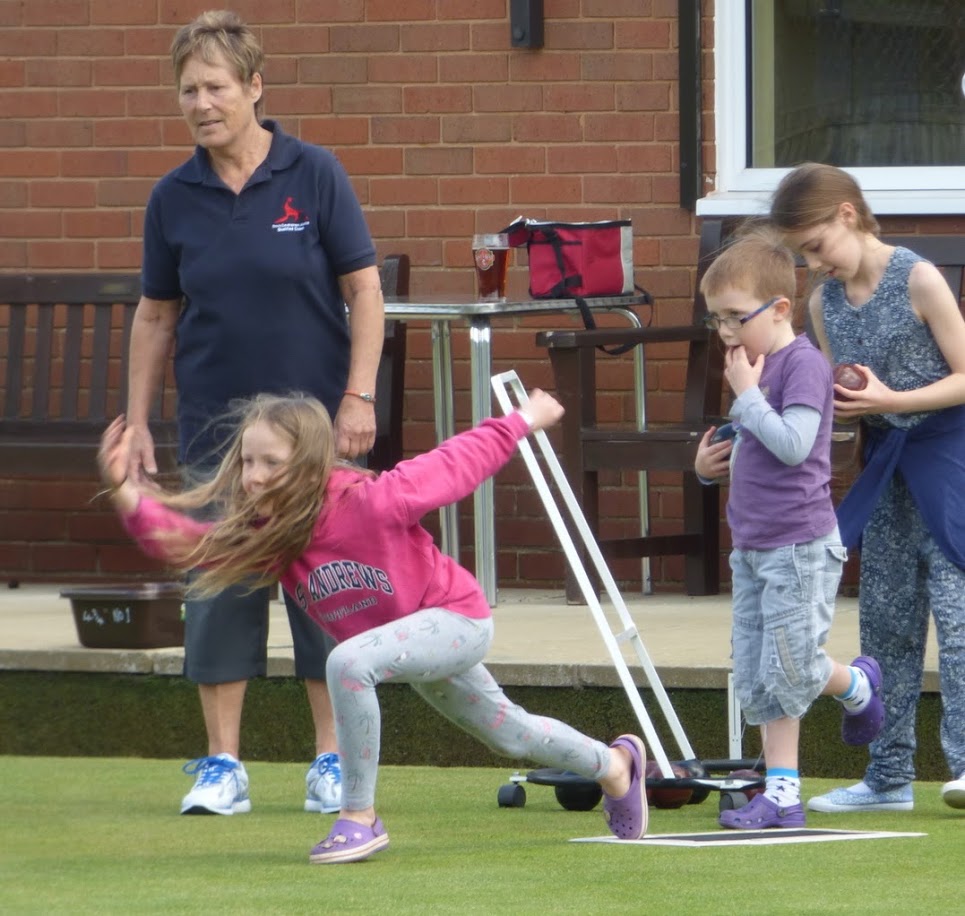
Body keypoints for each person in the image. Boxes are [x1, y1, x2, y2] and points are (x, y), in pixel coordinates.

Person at [97, 391, 648, 863]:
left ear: (311, 464)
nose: (255, 476)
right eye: (248, 461)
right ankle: (616, 766)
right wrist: (122, 489)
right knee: (511, 734)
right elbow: (189, 546)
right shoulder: (271, 537)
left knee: (347, 661)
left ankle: (359, 817)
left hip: (456, 619)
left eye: (272, 462)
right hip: (407, 645)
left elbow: (457, 461)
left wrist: (522, 420)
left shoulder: (374, 500)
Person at [122, 10, 386, 816]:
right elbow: (155, 315)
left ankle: (331, 761)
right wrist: (136, 422)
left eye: (216, 87)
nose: (201, 103)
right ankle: (222, 767)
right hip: (216, 432)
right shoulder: (173, 197)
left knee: (327, 594)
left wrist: (358, 395)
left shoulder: (314, 174)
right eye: (188, 90)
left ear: (254, 87)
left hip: (313, 433)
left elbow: (363, 290)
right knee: (218, 594)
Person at [769, 162, 965, 813]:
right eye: (802, 254)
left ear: (847, 215)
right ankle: (887, 779)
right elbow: (827, 396)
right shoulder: (822, 303)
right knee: (886, 622)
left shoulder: (918, 277)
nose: (814, 264)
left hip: (949, 466)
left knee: (959, 620)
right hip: (883, 472)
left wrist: (893, 399)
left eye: (816, 246)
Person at [694, 230, 884, 829]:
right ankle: (781, 794)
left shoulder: (801, 364)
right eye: (716, 319)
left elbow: (795, 444)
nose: (725, 332)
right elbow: (752, 442)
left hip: (799, 547)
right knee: (758, 674)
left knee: (790, 667)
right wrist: (707, 465)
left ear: (779, 308)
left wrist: (748, 396)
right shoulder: (754, 367)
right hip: (751, 546)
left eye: (735, 317)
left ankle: (856, 686)